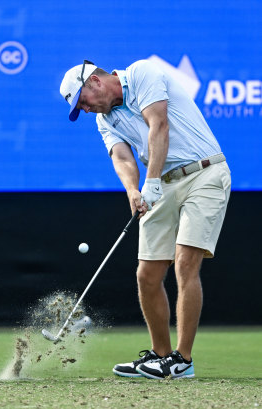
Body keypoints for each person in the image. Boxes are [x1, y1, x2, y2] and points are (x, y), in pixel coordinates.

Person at [60, 59, 231, 380]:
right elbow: (122, 156)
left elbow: (159, 125)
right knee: (146, 275)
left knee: (184, 262)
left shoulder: (142, 73)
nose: (84, 109)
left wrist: (149, 182)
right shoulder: (104, 120)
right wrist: (133, 190)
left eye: (82, 101)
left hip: (203, 173)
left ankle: (183, 360)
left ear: (94, 82)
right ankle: (161, 356)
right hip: (160, 185)